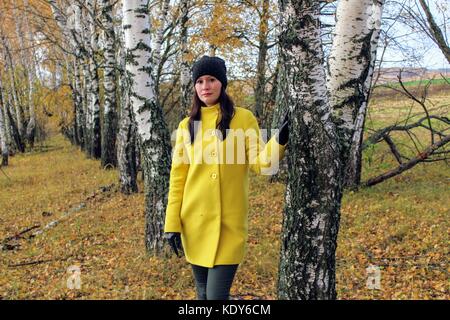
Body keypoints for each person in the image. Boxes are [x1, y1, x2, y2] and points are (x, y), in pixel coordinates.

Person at [164, 55, 289, 300]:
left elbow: (262, 164)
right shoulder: (185, 126)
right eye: (199, 81)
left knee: (216, 296)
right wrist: (172, 225)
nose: (205, 86)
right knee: (202, 294)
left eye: (211, 79)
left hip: (228, 228)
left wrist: (280, 140)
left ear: (222, 83)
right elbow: (177, 179)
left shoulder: (242, 119)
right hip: (194, 225)